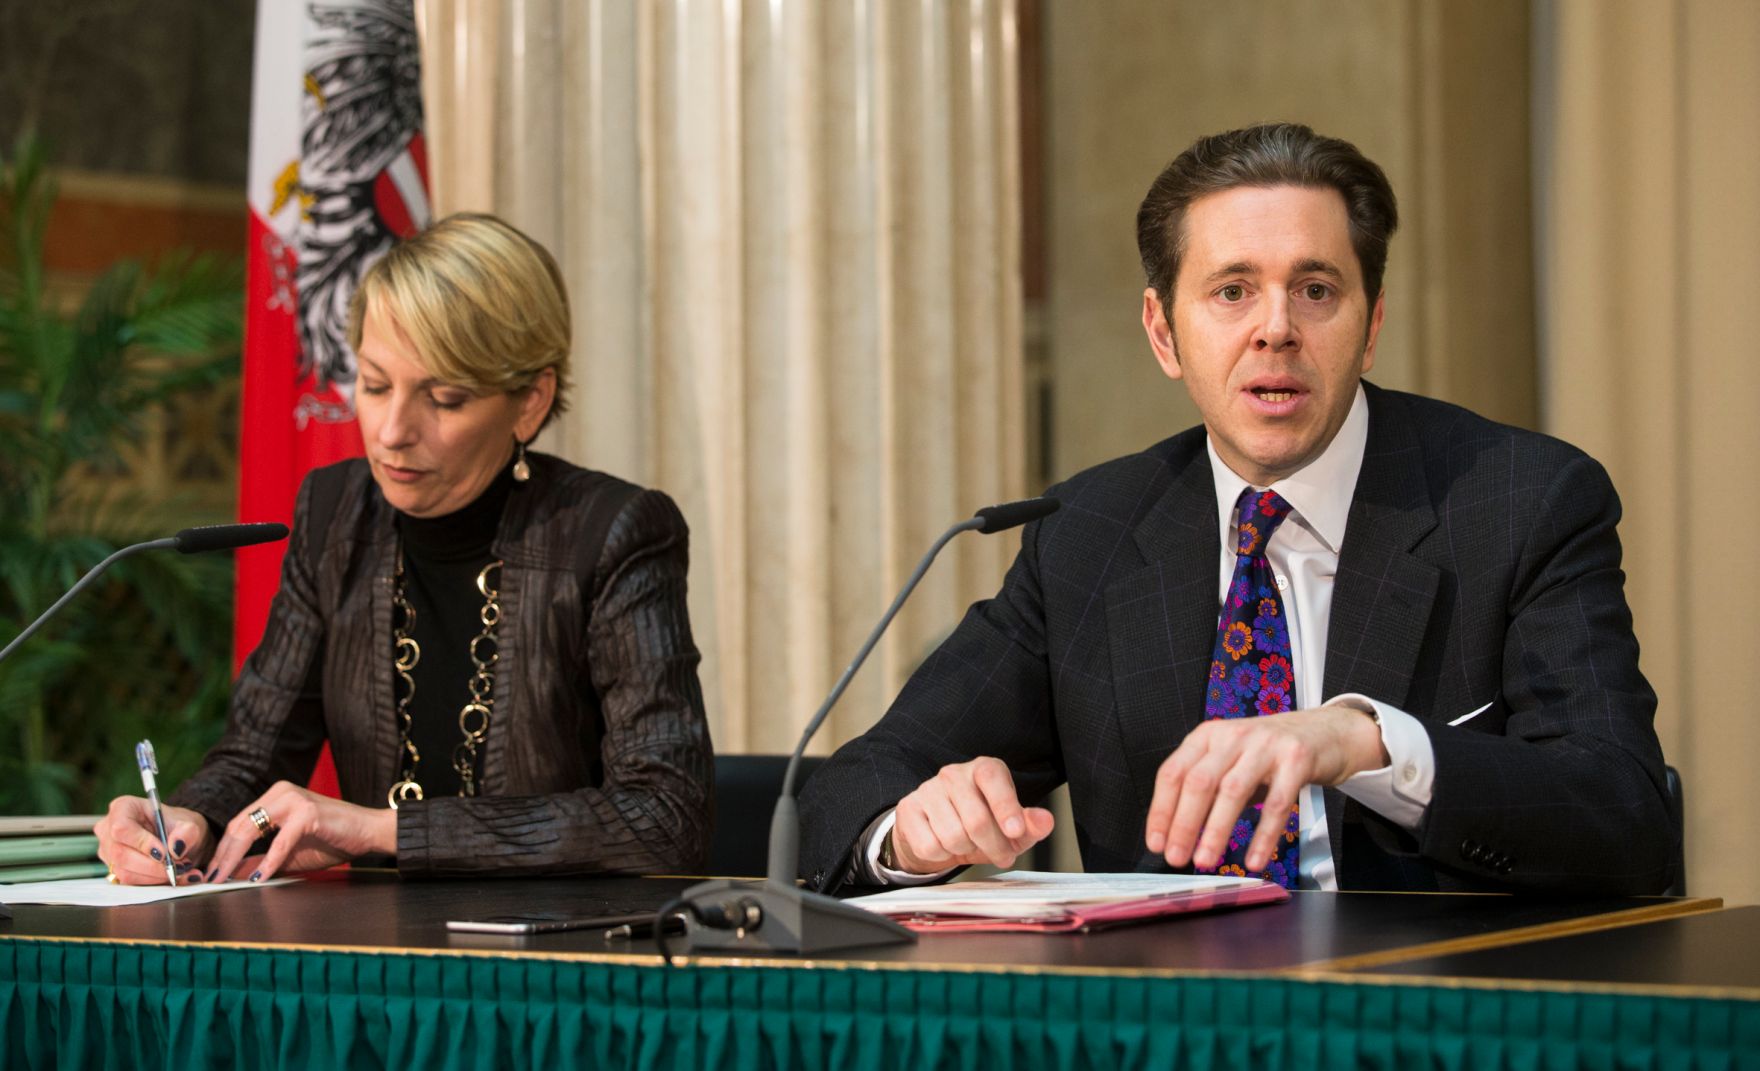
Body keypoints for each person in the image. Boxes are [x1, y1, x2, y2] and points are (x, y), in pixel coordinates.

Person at [798, 123, 1674, 895]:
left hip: (1430, 1009)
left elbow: (1623, 812)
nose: (1276, 329)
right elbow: (855, 785)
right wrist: (909, 834)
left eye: (1317, 290)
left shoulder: (1520, 502)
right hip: (1158, 1021)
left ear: (1370, 327)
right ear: (1162, 332)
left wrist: (1370, 741)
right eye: (1232, 291)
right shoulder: (1090, 534)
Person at [95, 213, 714, 884]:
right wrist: (190, 823)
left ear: (530, 402)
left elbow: (663, 816)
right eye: (374, 384)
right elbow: (255, 754)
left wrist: (378, 830)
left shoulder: (614, 532)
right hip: (379, 948)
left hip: (564, 955)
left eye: (443, 398)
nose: (392, 431)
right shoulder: (334, 515)